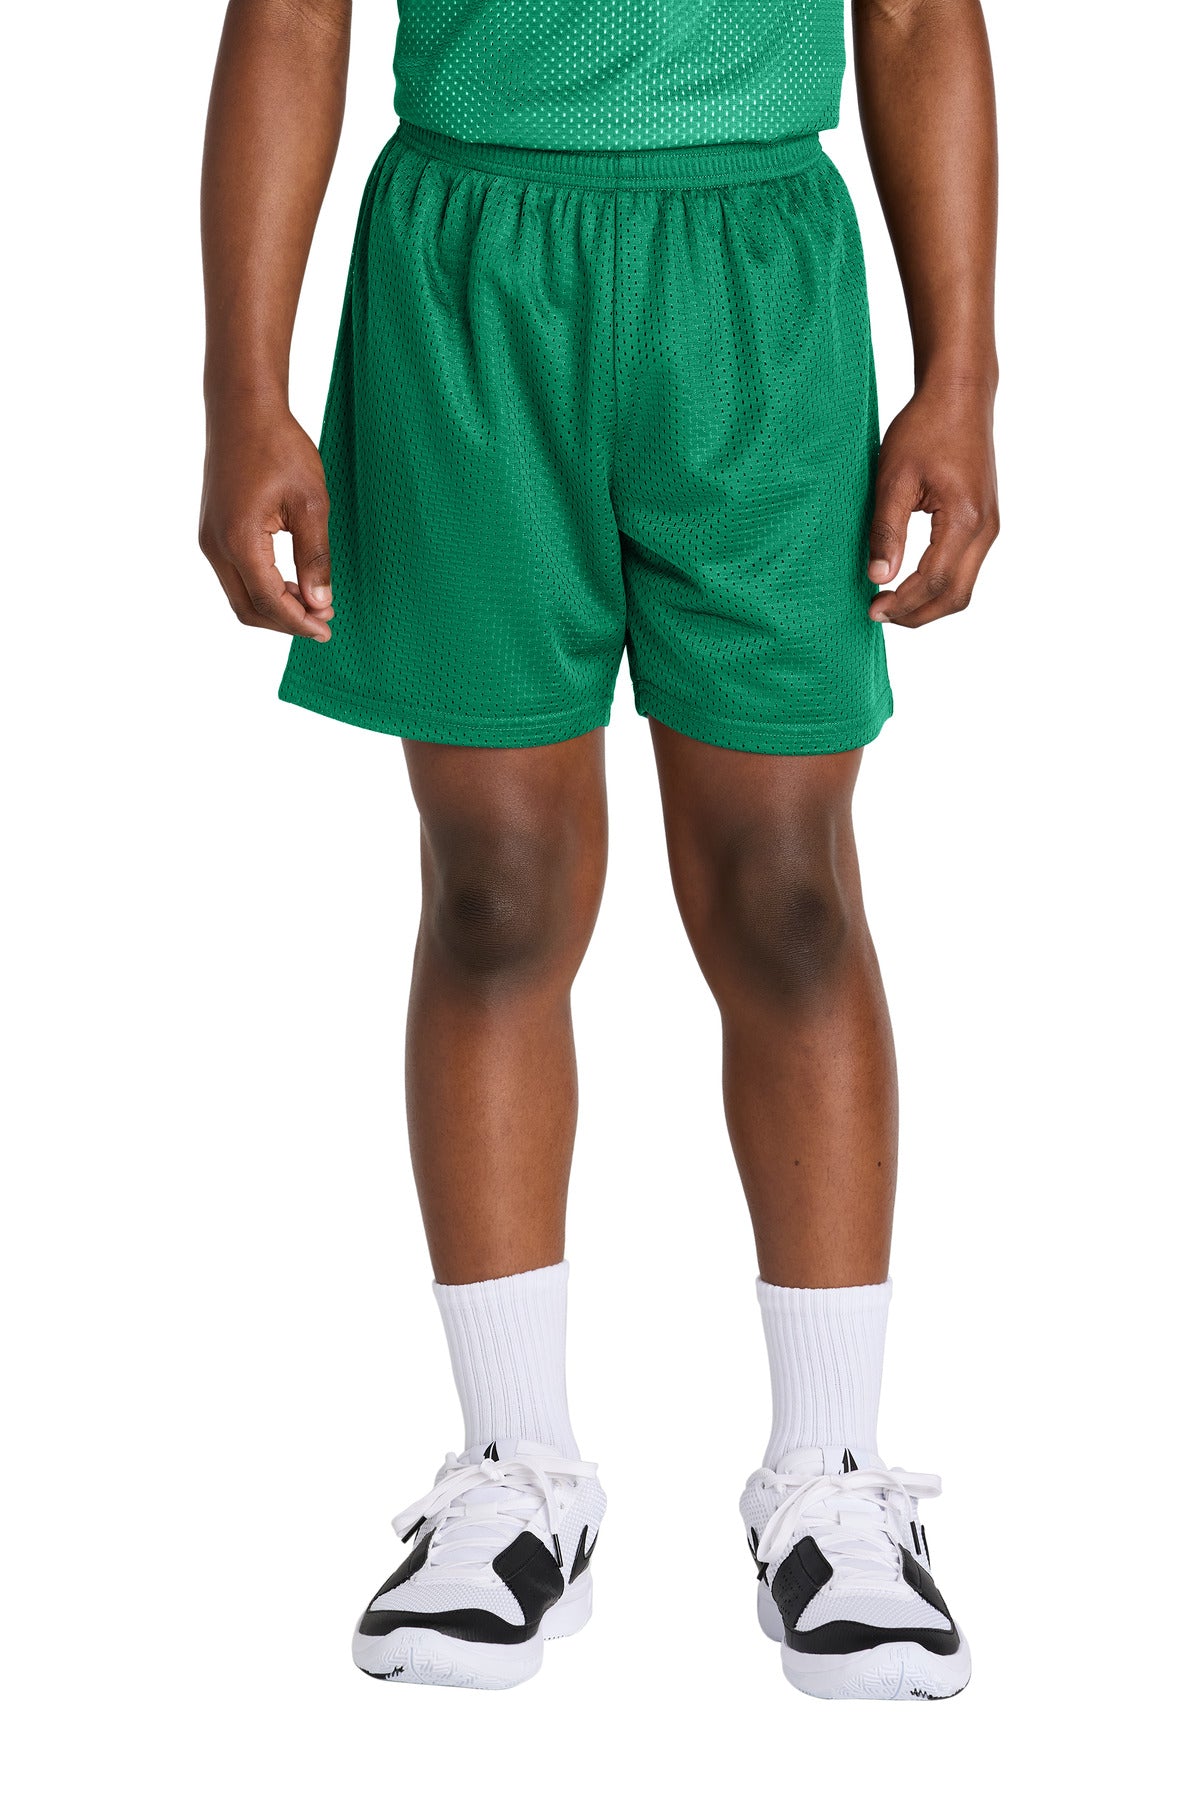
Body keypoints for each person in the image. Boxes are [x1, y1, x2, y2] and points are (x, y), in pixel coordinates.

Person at [199, 0, 998, 1701]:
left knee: (787, 896)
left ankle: (832, 1486)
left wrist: (963, 375)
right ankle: (515, 1480)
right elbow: (292, 13)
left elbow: (921, 13)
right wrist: (242, 391)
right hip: (470, 273)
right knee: (494, 892)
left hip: (755, 280)